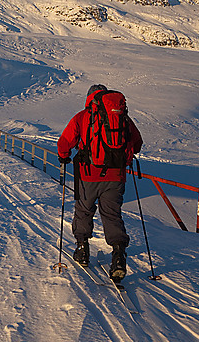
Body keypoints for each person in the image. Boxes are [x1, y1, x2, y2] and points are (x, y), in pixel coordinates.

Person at [57, 84, 143, 281]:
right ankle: (119, 255)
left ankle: (82, 250)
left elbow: (64, 142)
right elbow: (137, 144)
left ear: (90, 98)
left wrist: (64, 157)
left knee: (84, 210)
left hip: (89, 175)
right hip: (116, 176)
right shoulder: (123, 117)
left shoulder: (83, 116)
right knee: (112, 215)